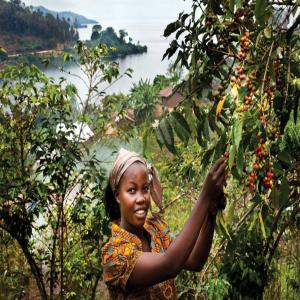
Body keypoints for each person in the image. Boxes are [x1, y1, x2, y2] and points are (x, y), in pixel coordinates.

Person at [101, 148, 227, 299]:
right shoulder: (114, 255)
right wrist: (204, 197)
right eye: (132, 190)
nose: (141, 198)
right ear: (117, 196)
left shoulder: (154, 228)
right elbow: (169, 265)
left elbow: (195, 261)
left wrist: (210, 211)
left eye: (145, 189)